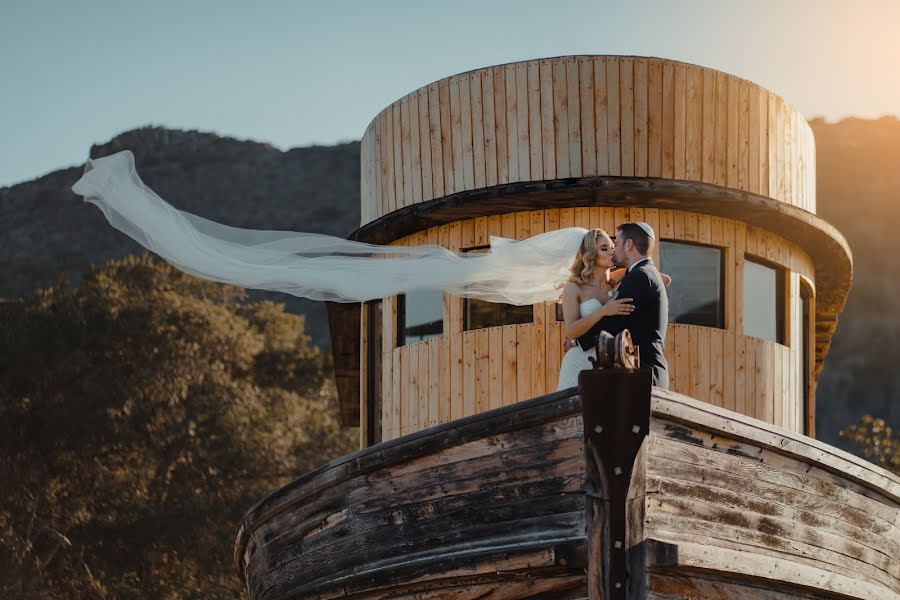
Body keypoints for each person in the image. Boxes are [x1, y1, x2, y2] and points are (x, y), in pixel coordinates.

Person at [575, 222, 670, 389]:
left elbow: (614, 321)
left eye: (616, 244)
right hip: (649, 373)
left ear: (628, 245)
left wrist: (578, 342)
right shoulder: (646, 272)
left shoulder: (639, 277)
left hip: (645, 374)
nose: (614, 250)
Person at [555, 229, 636, 390]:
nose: (611, 252)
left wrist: (626, 263)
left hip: (611, 363)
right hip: (579, 361)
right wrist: (604, 310)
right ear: (591, 254)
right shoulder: (574, 287)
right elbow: (571, 331)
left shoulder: (619, 281)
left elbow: (663, 280)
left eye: (613, 247)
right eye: (604, 249)